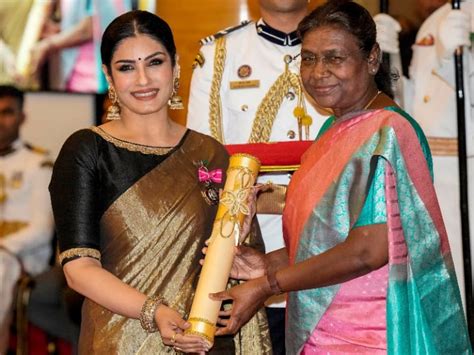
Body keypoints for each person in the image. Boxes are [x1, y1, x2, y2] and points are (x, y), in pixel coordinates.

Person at [208, 1, 471, 353]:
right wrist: (265, 263)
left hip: (369, 335)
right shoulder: (334, 128)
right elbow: (325, 236)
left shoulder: (388, 132)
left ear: (372, 59)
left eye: (335, 58)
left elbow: (366, 251)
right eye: (309, 58)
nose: (318, 72)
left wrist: (268, 285)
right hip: (322, 329)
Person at [49, 10, 271, 354]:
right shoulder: (88, 150)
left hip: (207, 339)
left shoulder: (211, 153)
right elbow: (79, 270)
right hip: (123, 339)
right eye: (126, 67)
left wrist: (235, 244)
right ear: (108, 74)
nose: (143, 79)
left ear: (175, 67)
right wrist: (154, 311)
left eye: (154, 62)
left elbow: (249, 260)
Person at [186, 1, 328, 352]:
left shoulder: (338, 50)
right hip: (249, 245)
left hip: (329, 243)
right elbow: (202, 165)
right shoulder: (219, 55)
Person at [376, 0, 474, 308]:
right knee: (437, 288)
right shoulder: (438, 20)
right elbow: (413, 103)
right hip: (426, 170)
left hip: (466, 173)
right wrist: (387, 59)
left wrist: (459, 59)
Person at [0, 85, 54, 352]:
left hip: (24, 258)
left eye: (7, 112)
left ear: (22, 117)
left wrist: (3, 246)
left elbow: (43, 230)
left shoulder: (37, 163)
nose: (0, 120)